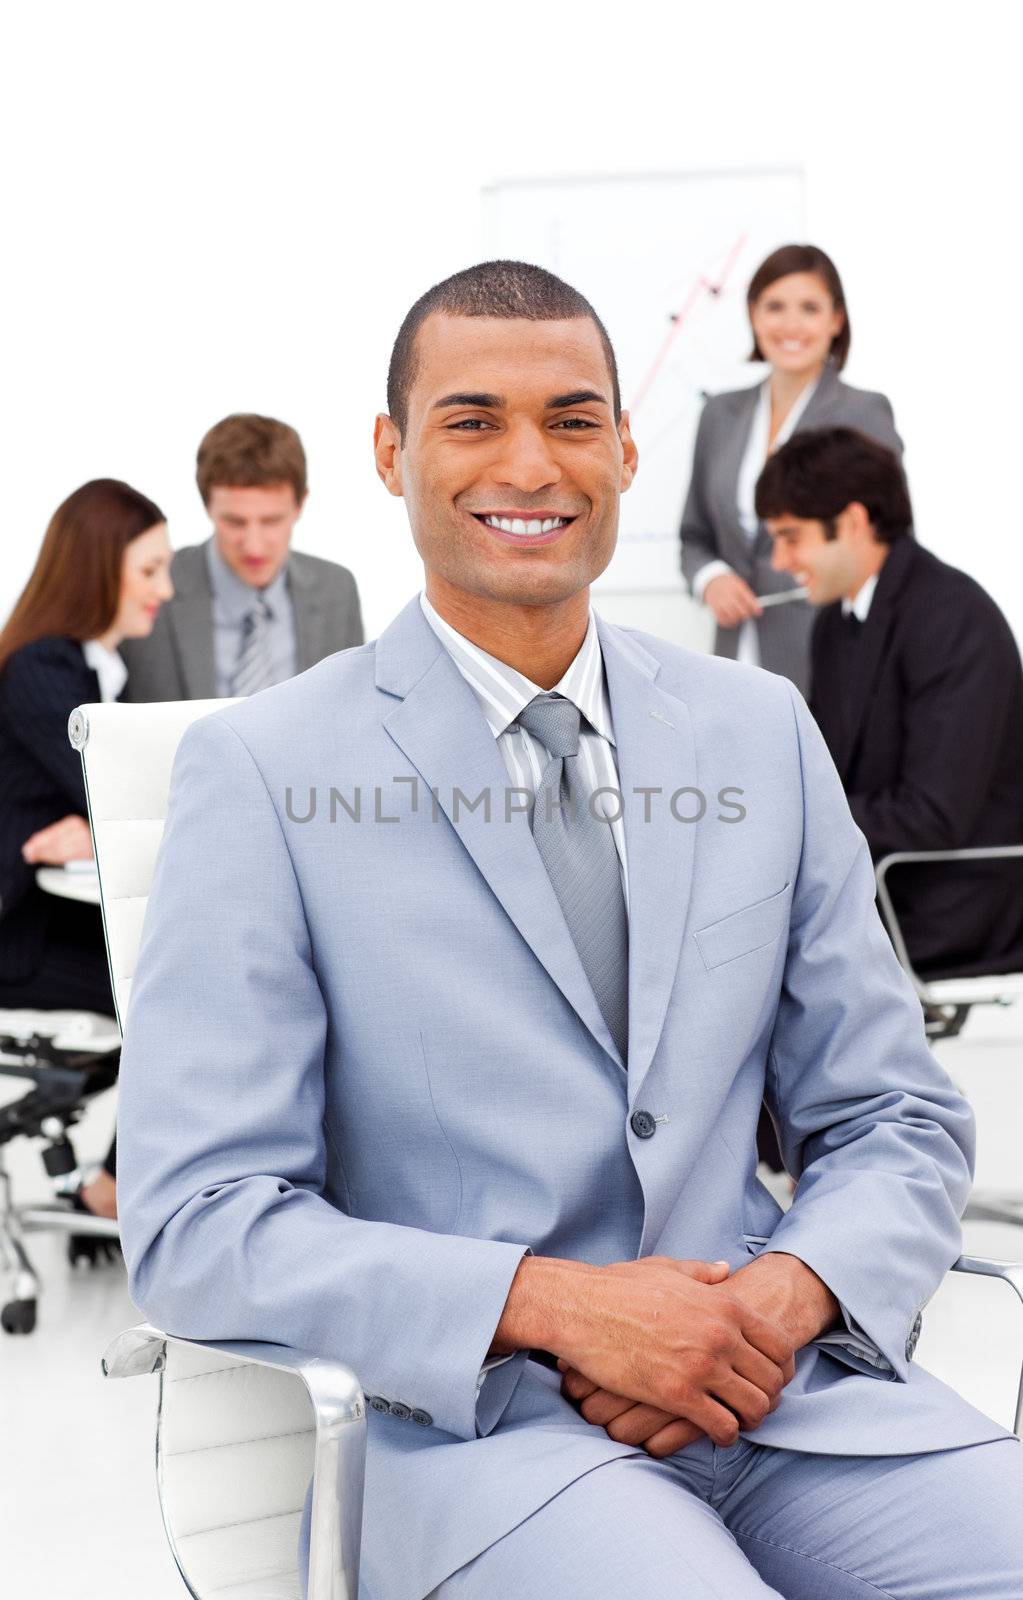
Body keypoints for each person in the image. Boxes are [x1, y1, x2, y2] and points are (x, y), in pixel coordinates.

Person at [117, 262, 1023, 1600]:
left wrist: (773, 1303)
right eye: (471, 420)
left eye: (572, 419)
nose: (528, 464)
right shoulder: (263, 771)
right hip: (487, 1440)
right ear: (391, 452)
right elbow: (196, 1219)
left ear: (623, 448)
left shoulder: (755, 737)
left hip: (778, 1394)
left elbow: (894, 1111)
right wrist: (559, 1305)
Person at [758, 424, 1023, 981]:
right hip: (879, 881)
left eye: (791, 536)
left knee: (741, 949)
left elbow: (933, 815)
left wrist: (786, 821)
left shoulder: (953, 617)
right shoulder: (836, 620)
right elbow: (825, 770)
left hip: (948, 898)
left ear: (853, 523)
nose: (780, 560)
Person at [0, 479, 173, 1225]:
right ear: (99, 569)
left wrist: (97, 821)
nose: (165, 589)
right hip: (21, 938)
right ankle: (116, 1186)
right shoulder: (45, 668)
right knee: (175, 994)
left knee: (191, 976)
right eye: (149, 570)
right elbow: (126, 799)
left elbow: (118, 805)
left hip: (58, 917)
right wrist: (103, 816)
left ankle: (119, 1181)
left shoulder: (105, 672)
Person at [679, 243, 903, 695]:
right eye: (776, 307)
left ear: (836, 320)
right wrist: (711, 579)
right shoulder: (720, 415)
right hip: (733, 656)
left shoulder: (864, 413)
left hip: (831, 660)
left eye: (810, 308)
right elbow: (694, 536)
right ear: (753, 315)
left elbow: (888, 543)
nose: (791, 325)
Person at [119, 412, 363, 700]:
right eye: (235, 522)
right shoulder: (153, 588)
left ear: (300, 505)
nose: (254, 546)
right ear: (208, 506)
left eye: (271, 521)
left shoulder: (336, 589)